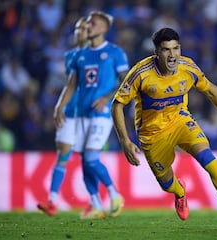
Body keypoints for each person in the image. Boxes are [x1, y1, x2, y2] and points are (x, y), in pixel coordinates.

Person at [111, 28, 217, 232]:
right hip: (152, 134)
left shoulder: (187, 67)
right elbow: (117, 104)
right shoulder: (141, 73)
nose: (172, 55)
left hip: (181, 121)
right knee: (166, 183)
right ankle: (179, 192)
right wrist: (125, 141)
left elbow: (212, 90)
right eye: (166, 50)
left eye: (175, 48)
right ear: (156, 52)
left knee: (209, 160)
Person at [52, 11, 129, 219]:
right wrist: (60, 106)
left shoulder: (115, 52)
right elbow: (71, 85)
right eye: (88, 24)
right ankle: (96, 203)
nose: (88, 27)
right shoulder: (80, 55)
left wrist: (107, 98)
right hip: (82, 114)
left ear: (104, 29)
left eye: (93, 24)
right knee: (85, 159)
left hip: (102, 113)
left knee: (92, 157)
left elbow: (127, 82)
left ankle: (114, 194)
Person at [37, 16, 98, 217]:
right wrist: (60, 105)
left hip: (88, 115)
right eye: (77, 28)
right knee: (62, 154)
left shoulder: (98, 56)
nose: (79, 32)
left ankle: (95, 201)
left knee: (88, 159)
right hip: (70, 113)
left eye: (83, 28)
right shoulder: (70, 55)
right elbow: (69, 85)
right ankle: (52, 201)